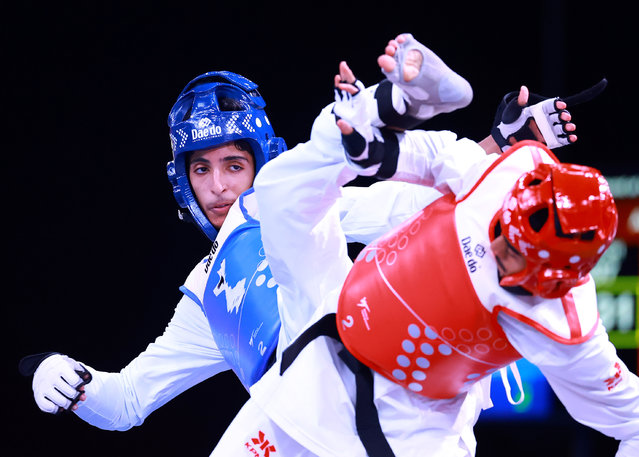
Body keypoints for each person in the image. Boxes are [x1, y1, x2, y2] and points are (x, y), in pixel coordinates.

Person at [208, 35, 639, 456]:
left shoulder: (567, 329)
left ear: (559, 278)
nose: (501, 256)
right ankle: (389, 103)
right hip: (322, 353)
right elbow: (440, 154)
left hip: (408, 432)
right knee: (277, 190)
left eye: (518, 259)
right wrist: (381, 154)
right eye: (504, 238)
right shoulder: (507, 175)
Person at [18, 38, 478, 431]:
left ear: (258, 163)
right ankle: (372, 115)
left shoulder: (292, 206)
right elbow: (128, 401)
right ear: (184, 181)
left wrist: (498, 150)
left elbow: (417, 205)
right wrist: (64, 375)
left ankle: (380, 112)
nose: (217, 186)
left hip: (395, 393)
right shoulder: (203, 295)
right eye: (201, 169)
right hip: (312, 436)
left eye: (233, 165)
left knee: (287, 193)